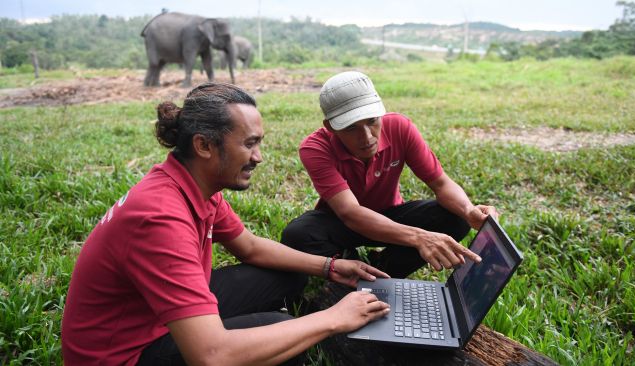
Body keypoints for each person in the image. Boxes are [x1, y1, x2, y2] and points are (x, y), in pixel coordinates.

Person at [61, 82, 391, 365]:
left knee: (288, 276)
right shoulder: (160, 218)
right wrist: (333, 319)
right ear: (204, 145)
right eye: (249, 143)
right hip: (123, 353)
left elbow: (248, 246)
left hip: (150, 315)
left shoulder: (191, 184)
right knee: (277, 335)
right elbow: (211, 356)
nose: (259, 156)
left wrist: (330, 266)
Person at [281, 71, 498, 279]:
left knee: (455, 218)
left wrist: (469, 212)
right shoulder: (315, 148)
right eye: (351, 128)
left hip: (390, 215)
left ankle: (382, 269)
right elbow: (350, 213)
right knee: (298, 234)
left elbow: (441, 184)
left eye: (372, 121)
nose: (366, 137)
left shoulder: (400, 128)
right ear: (330, 127)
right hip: (342, 222)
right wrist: (420, 237)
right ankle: (349, 264)